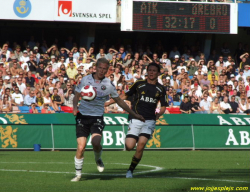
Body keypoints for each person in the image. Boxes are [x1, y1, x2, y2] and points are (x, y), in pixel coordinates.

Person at [71, 58, 144, 182]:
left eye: (105, 69)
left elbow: (119, 100)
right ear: (96, 67)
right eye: (100, 68)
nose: (102, 70)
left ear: (107, 70)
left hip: (97, 117)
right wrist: (74, 107)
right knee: (81, 147)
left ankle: (98, 158)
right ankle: (78, 174)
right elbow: (77, 95)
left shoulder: (108, 84)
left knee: (96, 143)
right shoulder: (85, 80)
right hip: (82, 116)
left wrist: (133, 113)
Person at [108, 62, 167, 178]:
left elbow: (164, 106)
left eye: (154, 71)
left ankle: (130, 170)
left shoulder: (161, 89)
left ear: (158, 73)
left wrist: (158, 115)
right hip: (135, 117)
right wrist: (108, 103)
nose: (151, 72)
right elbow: (124, 96)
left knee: (141, 145)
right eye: (150, 70)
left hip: (149, 120)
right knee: (129, 146)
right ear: (147, 71)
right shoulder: (139, 84)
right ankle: (130, 138)